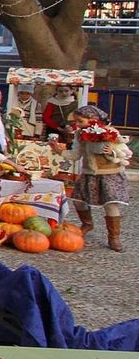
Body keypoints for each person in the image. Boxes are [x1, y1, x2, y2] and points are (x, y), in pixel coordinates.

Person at [65, 104, 129, 251]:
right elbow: (76, 154)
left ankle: (114, 237)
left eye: (80, 121)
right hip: (89, 173)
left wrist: (113, 151)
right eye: (76, 121)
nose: (77, 124)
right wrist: (57, 150)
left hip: (109, 174)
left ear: (93, 119)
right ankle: (87, 224)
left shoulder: (110, 132)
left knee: (110, 204)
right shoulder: (80, 134)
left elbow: (124, 151)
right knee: (79, 201)